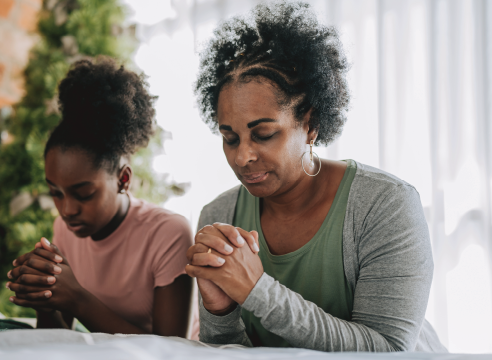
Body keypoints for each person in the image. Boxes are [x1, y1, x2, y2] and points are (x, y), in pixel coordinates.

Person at [185, 1, 446, 352]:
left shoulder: (385, 205)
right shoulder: (219, 216)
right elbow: (228, 352)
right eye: (229, 138)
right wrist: (222, 311)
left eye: (263, 134)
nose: (242, 156)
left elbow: (387, 350)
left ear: (311, 124)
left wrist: (256, 289)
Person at [6, 58, 193, 337]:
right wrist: (44, 298)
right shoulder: (65, 231)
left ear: (123, 179)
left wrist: (78, 300)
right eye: (55, 193)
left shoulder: (167, 234)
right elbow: (58, 339)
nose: (67, 210)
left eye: (84, 194)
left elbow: (173, 350)